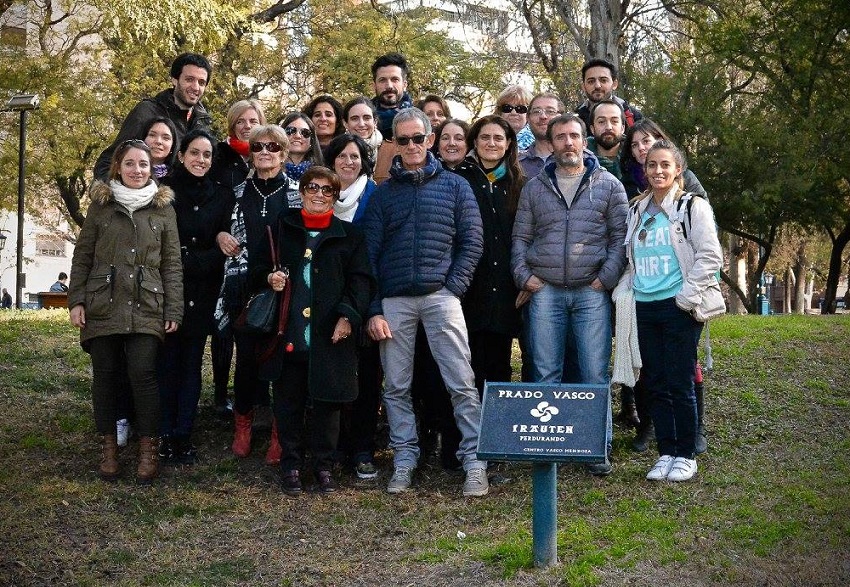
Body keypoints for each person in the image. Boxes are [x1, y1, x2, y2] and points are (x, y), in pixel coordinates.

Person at [363, 107, 489, 497]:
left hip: (441, 296)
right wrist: (375, 308)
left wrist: (453, 288)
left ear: (430, 139)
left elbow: (472, 242)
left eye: (419, 138)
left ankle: (474, 461)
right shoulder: (383, 196)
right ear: (395, 145)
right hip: (395, 300)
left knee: (462, 383)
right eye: (404, 140)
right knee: (397, 385)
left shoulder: (455, 186)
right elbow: (369, 255)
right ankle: (404, 459)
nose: (413, 146)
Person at [511, 113, 628, 476]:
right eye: (560, 137)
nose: (568, 143)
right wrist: (524, 277)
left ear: (585, 140)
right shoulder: (535, 187)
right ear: (552, 141)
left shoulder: (608, 185)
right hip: (545, 291)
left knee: (594, 372)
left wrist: (604, 279)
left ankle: (597, 447)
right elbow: (520, 238)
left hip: (591, 292)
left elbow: (619, 240)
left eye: (574, 136)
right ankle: (549, 448)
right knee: (546, 371)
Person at [253, 166, 374, 495]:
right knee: (288, 402)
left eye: (327, 190)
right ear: (302, 191)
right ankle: (291, 464)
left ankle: (323, 465)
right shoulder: (283, 227)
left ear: (335, 197)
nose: (319, 195)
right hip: (288, 331)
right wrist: (270, 278)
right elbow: (258, 266)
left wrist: (347, 316)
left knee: (327, 404)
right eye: (312, 188)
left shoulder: (350, 236)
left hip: (329, 334)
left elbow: (360, 282)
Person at [68, 139, 184, 484]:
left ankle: (148, 449)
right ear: (118, 167)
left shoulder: (163, 209)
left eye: (144, 165)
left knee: (142, 373)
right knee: (105, 375)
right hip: (102, 302)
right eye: (130, 164)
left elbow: (172, 263)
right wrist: (76, 300)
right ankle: (109, 448)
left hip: (147, 304)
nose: (137, 170)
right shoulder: (101, 207)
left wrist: (173, 306)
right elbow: (83, 256)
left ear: (153, 170)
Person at [617, 139, 722, 482]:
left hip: (679, 307)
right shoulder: (636, 209)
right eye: (651, 165)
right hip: (645, 307)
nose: (658, 171)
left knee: (680, 383)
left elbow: (710, 256)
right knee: (655, 382)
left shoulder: (693, 207)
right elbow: (632, 258)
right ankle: (665, 452)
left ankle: (686, 453)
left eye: (665, 165)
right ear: (644, 171)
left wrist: (686, 298)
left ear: (678, 170)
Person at [215, 125, 292, 463]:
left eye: (273, 146)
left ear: (284, 153)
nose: (265, 151)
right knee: (245, 361)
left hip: (283, 287)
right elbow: (217, 230)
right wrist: (220, 236)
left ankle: (279, 433)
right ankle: (243, 426)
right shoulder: (235, 192)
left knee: (282, 363)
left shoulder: (294, 193)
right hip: (244, 288)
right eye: (258, 145)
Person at [157, 130, 234, 464]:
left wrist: (208, 257)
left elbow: (228, 241)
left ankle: (184, 434)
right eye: (195, 153)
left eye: (207, 155)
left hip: (204, 287)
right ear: (181, 154)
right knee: (167, 363)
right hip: (171, 287)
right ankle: (164, 433)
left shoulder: (222, 194)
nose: (201, 160)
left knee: (191, 364)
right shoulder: (164, 193)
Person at [452, 115, 524, 395]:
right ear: (474, 142)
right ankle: (466, 434)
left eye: (498, 138)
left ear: (508, 144)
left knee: (500, 366)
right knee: (468, 364)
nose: (491, 143)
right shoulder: (459, 181)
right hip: (470, 286)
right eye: (485, 137)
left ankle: (495, 432)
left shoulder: (521, 183)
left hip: (506, 288)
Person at [324, 133, 382, 478]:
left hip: (368, 296)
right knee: (333, 375)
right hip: (329, 301)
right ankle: (333, 449)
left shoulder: (376, 197)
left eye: (355, 157)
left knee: (368, 377)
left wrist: (372, 305)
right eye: (342, 156)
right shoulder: (319, 196)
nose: (348, 162)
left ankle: (363, 448)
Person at [208, 100, 267, 415]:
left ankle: (255, 395)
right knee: (223, 327)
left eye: (253, 119)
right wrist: (219, 233)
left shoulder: (266, 154)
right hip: (224, 251)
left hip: (254, 257)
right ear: (232, 124)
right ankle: (220, 393)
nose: (246, 125)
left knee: (253, 323)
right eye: (240, 120)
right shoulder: (220, 157)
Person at [94, 53, 213, 180]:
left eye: (201, 82)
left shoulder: (202, 122)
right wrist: (120, 196)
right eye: (189, 79)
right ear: (174, 79)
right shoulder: (147, 112)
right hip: (144, 195)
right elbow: (110, 160)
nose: (195, 87)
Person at [371, 53, 414, 183]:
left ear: (404, 84)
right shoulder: (361, 121)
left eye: (395, 79)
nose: (389, 85)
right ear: (374, 85)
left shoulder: (419, 121)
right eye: (382, 80)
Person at [210, 99, 267, 191]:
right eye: (240, 122)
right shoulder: (217, 155)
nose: (247, 126)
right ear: (233, 126)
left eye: (253, 121)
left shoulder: (271, 154)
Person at [575, 58, 643, 132]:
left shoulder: (633, 117)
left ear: (614, 84)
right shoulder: (576, 118)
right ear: (583, 86)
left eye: (603, 80)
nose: (597, 85)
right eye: (591, 81)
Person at [518, 93, 565, 179]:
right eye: (536, 112)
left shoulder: (578, 157)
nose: (543, 116)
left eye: (550, 111)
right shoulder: (516, 164)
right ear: (528, 118)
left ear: (561, 117)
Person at [280, 112, 323, 199]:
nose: (298, 136)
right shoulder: (269, 170)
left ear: (311, 141)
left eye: (305, 132)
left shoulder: (321, 174)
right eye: (291, 131)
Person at [587, 99, 626, 180]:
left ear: (622, 128)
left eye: (614, 121)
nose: (608, 127)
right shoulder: (581, 161)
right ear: (592, 129)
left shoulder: (636, 159)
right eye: (601, 122)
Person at [342, 96, 383, 165]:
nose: (361, 124)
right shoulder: (336, 151)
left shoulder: (390, 150)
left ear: (375, 122)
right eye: (354, 118)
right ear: (345, 124)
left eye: (367, 118)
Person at [495, 85, 534, 151]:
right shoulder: (488, 138)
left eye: (520, 108)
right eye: (507, 108)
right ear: (500, 112)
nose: (513, 113)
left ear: (529, 113)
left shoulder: (540, 142)